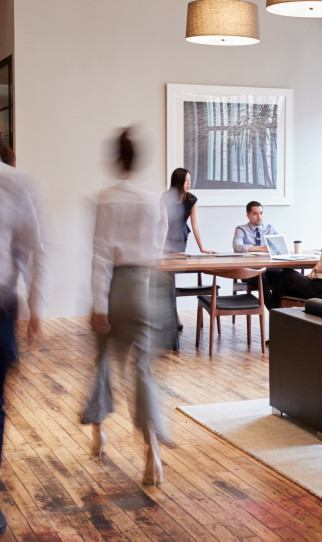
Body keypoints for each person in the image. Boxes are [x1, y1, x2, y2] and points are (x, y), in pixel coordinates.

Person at [82, 128, 166, 486]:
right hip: (145, 287)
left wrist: (98, 304)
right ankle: (152, 455)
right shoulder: (152, 201)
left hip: (116, 287)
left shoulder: (106, 199)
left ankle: (98, 434)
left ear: (116, 160)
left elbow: (101, 253)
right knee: (142, 369)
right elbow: (158, 248)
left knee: (102, 361)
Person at [0, 159, 48, 532]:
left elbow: (34, 247)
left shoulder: (13, 182)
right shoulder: (14, 181)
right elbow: (36, 248)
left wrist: (36, 304)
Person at [273, 204, 322, 308]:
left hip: (320, 290)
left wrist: (312, 273)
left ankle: (274, 308)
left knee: (286, 273)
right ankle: (279, 308)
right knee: (286, 284)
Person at [233, 201, 281, 309]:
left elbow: (280, 245)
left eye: (261, 213)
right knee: (261, 277)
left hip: (268, 268)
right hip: (249, 270)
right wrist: (262, 249)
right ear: (248, 215)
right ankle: (274, 310)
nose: (259, 217)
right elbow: (237, 246)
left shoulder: (269, 228)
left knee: (283, 275)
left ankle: (279, 309)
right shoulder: (241, 229)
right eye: (255, 214)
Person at [161, 167, 213, 255]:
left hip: (180, 235)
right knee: (164, 264)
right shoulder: (165, 198)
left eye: (190, 180)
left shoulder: (192, 200)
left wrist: (202, 248)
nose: (189, 183)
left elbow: (195, 225)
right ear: (178, 181)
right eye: (186, 180)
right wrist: (160, 249)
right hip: (163, 236)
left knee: (178, 264)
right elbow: (164, 226)